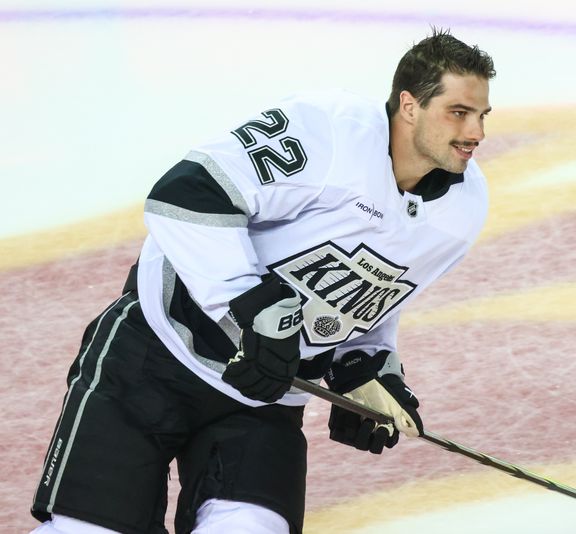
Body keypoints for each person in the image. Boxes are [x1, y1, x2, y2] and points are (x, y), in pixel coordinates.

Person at [31, 28, 495, 534]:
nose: (476, 132)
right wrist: (250, 309)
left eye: (482, 115)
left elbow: (373, 294)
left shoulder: (461, 211)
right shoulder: (329, 132)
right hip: (156, 355)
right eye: (459, 112)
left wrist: (365, 369)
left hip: (263, 399)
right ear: (409, 105)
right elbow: (185, 196)